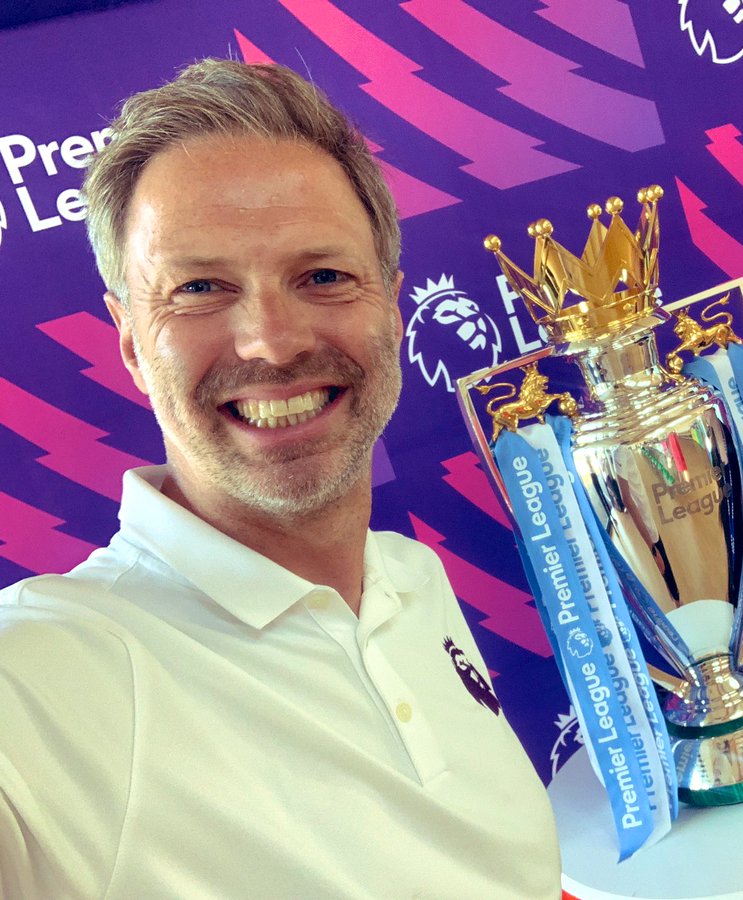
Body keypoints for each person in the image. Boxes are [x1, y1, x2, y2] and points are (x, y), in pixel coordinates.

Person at [0, 59, 560, 899]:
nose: (271, 339)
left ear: (392, 307)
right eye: (198, 288)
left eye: (324, 276)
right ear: (130, 347)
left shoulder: (410, 578)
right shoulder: (55, 672)